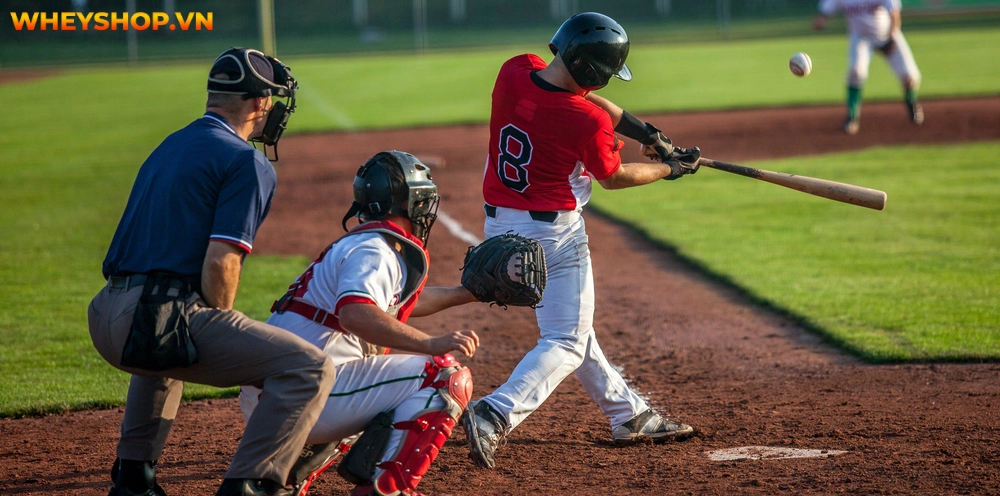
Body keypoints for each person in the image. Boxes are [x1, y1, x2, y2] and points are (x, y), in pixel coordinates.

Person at [88, 47, 337, 496]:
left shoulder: (171, 144)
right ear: (260, 104)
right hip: (145, 322)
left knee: (168, 336)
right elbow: (222, 259)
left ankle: (133, 478)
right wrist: (220, 323)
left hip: (106, 314)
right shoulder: (246, 161)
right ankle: (250, 487)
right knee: (310, 368)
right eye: (273, 100)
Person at [462, 12, 699, 470]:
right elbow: (615, 176)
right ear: (592, 70)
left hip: (500, 228)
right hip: (553, 237)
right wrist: (671, 168)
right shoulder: (583, 119)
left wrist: (650, 135)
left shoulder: (514, 70)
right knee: (566, 340)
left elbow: (586, 103)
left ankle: (629, 416)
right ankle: (495, 412)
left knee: (573, 327)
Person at [239, 151, 479, 496]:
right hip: (303, 395)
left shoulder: (363, 245)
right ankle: (388, 490)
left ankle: (285, 475)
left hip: (277, 394)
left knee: (378, 383)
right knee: (442, 376)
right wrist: (430, 344)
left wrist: (465, 294)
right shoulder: (375, 251)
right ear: (409, 204)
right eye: (424, 201)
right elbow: (356, 314)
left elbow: (391, 307)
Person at [813, 0, 923, 134]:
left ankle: (912, 104)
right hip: (861, 38)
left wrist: (892, 37)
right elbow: (825, 11)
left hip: (888, 34)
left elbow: (894, 14)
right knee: (856, 72)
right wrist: (821, 21)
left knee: (909, 76)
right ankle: (852, 117)